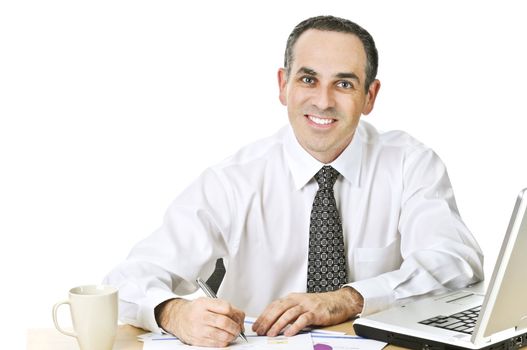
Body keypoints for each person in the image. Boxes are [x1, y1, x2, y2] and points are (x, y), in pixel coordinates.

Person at [104, 15, 484, 347]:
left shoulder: (409, 164)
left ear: (370, 96)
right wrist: (174, 313)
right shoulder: (233, 181)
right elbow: (126, 281)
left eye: (345, 84)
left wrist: (348, 299)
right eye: (308, 79)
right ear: (283, 85)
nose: (322, 101)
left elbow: (456, 263)